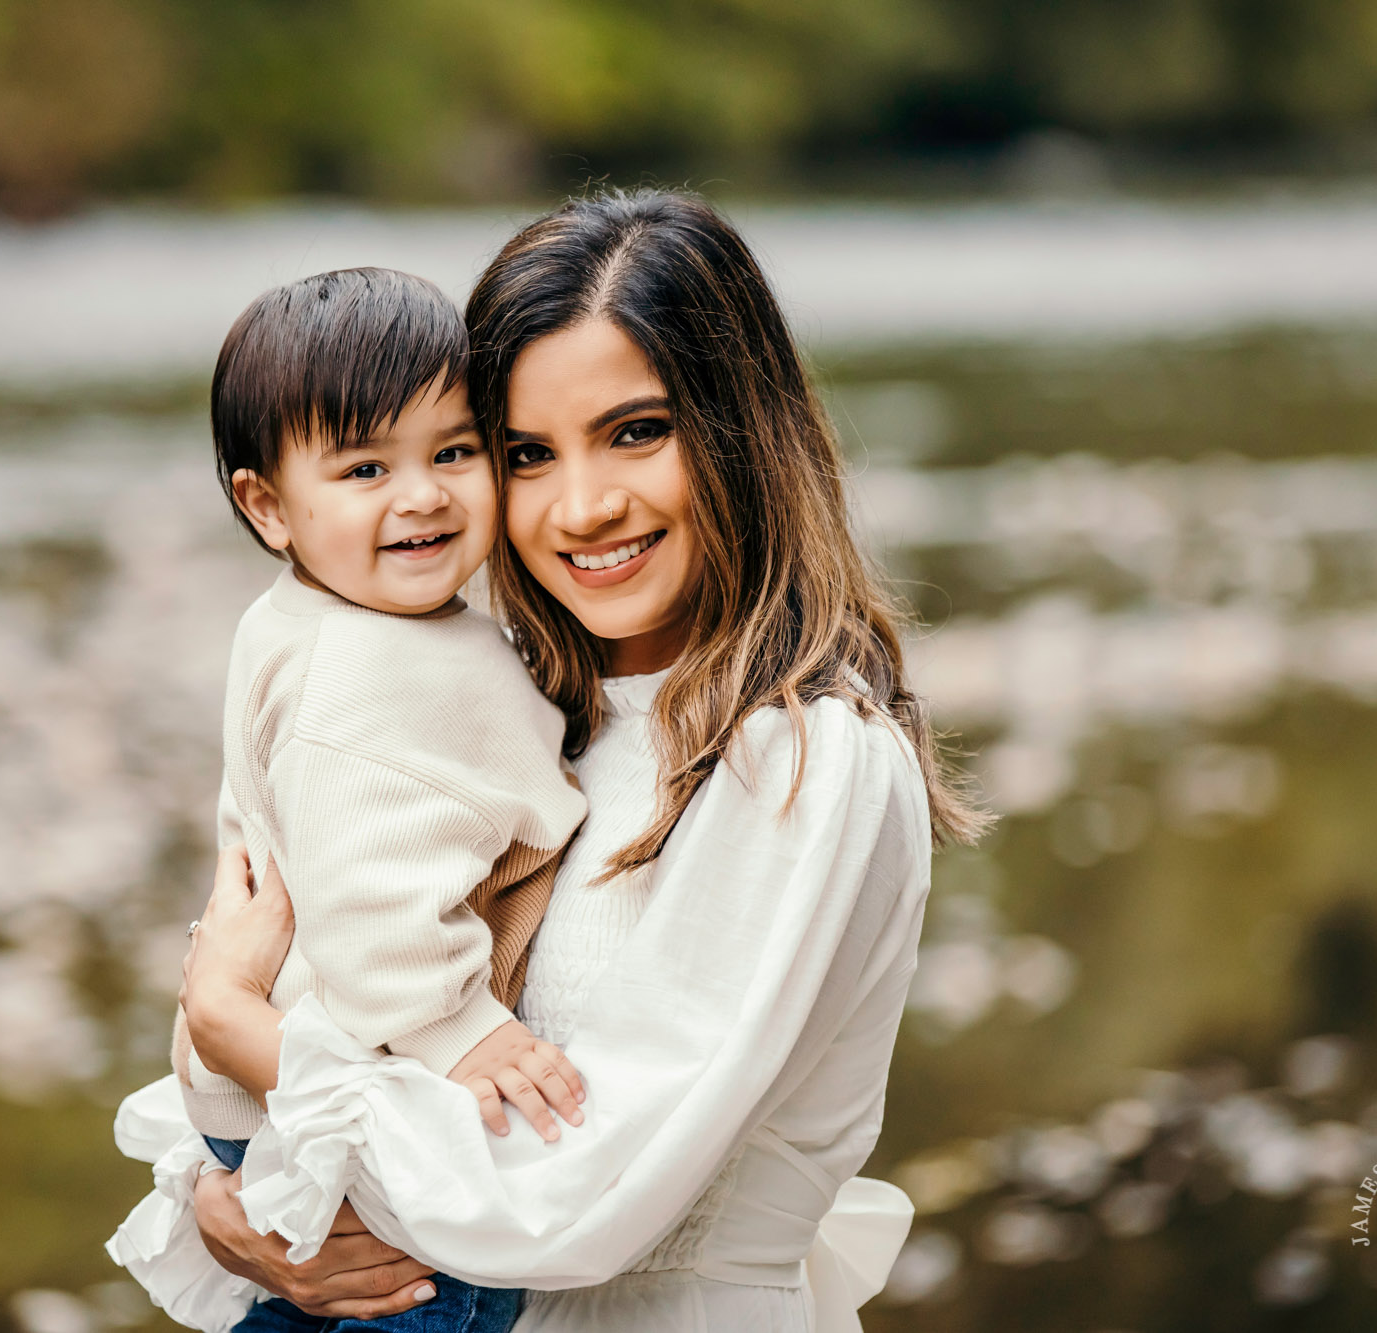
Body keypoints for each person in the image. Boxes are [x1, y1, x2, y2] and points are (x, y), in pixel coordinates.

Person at [121, 189, 985, 1332]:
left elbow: (570, 1204)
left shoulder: (802, 760)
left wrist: (251, 1040)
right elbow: (331, 975)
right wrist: (218, 1195)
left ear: (739, 428)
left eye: (636, 431)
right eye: (527, 452)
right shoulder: (524, 711)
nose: (582, 507)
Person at [138, 266, 592, 1333]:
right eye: (363, 468)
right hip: (354, 1087)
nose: (422, 494)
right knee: (429, 1296)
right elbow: (368, 897)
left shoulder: (301, 619)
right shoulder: (372, 671)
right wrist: (462, 1033)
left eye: (452, 451)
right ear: (267, 505)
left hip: (268, 1094)